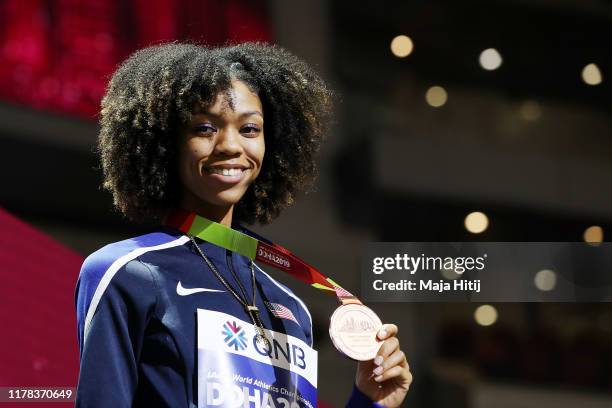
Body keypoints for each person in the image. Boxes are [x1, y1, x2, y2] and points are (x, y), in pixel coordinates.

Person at [75, 42, 412, 407]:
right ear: (166, 142)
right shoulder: (128, 273)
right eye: (204, 128)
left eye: (249, 129)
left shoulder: (292, 309)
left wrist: (369, 400)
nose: (231, 145)